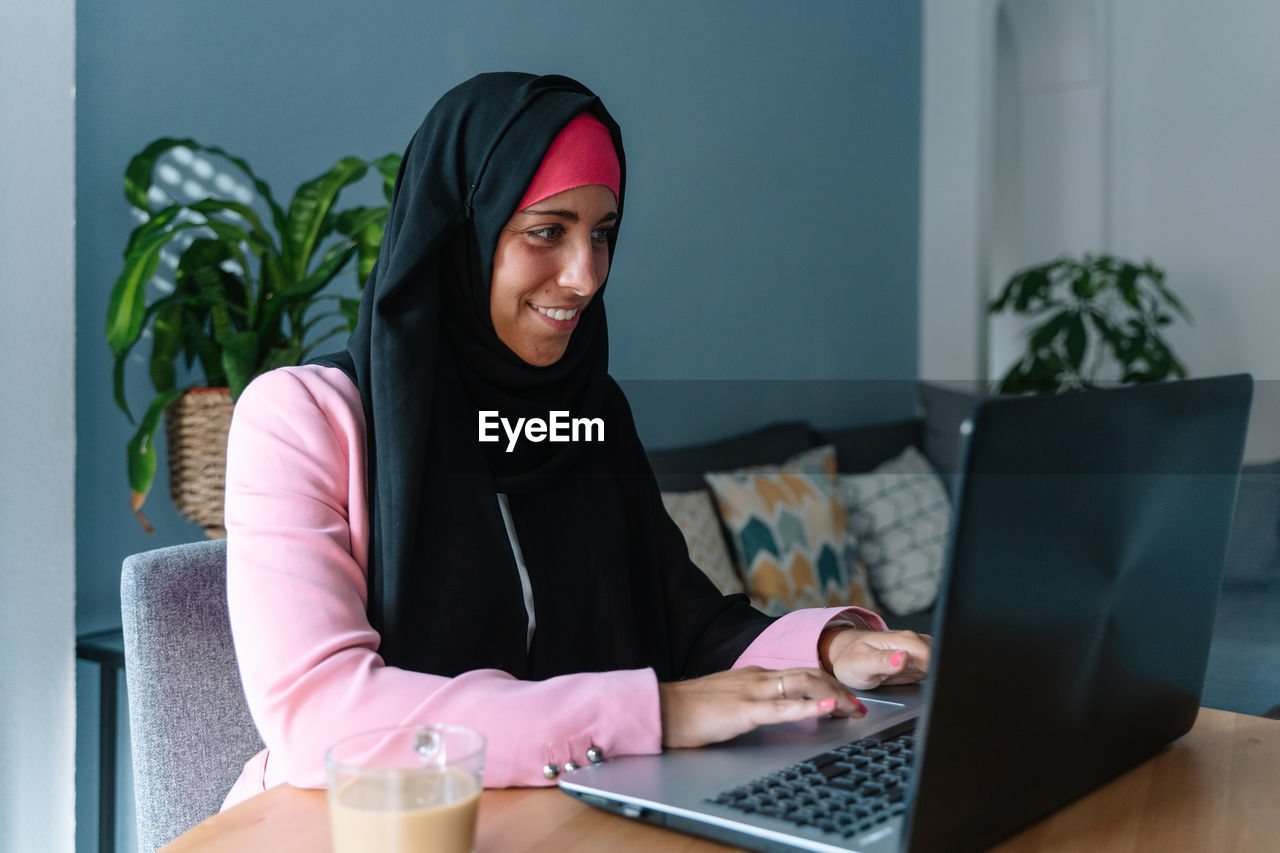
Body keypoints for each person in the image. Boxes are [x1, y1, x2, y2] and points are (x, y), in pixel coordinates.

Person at [221, 72, 930, 809]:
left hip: (566, 810)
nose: (585, 276)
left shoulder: (584, 411)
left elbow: (681, 619)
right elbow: (322, 714)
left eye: (603, 234)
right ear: (463, 230)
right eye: (546, 231)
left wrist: (831, 649)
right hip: (360, 822)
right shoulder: (302, 419)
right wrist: (659, 712)